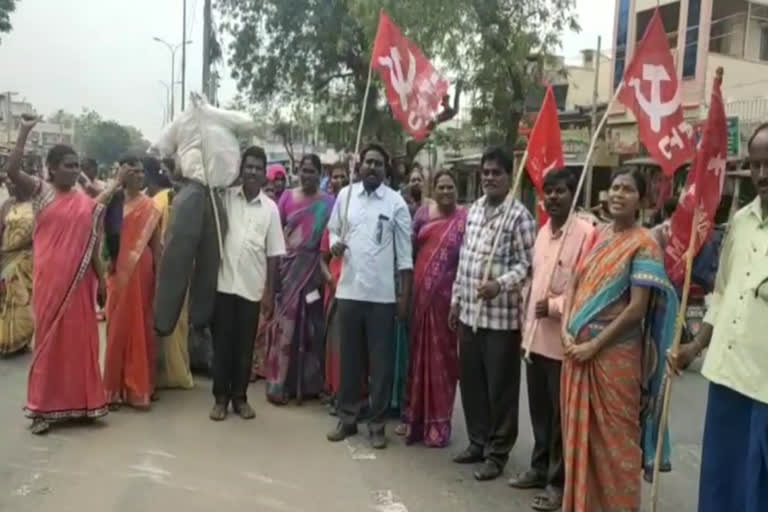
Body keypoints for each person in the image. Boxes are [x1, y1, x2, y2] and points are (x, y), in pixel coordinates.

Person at [560, 168, 678, 512]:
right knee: (582, 444)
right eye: (614, 188)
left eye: (627, 190)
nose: (618, 194)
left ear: (641, 200)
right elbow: (576, 285)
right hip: (576, 354)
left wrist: (592, 346)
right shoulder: (599, 235)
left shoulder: (644, 243)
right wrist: (568, 330)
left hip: (614, 361)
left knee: (617, 447)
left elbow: (637, 309)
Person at [670, 124, 768, 512]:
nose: (763, 175)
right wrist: (693, 346)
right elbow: (724, 293)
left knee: (758, 489)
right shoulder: (740, 221)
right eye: (756, 165)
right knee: (721, 484)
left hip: (764, 385)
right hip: (727, 377)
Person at [7, 115, 124, 434]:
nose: (74, 171)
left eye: (76, 166)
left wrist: (100, 281)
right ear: (52, 167)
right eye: (68, 165)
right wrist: (23, 133)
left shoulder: (83, 201)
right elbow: (12, 171)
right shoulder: (40, 191)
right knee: (48, 343)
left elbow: (93, 239)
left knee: (79, 342)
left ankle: (84, 404)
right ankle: (42, 410)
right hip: (50, 284)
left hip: (80, 285)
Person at [508, 169, 594, 511]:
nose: (554, 198)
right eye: (549, 192)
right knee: (540, 413)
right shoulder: (543, 233)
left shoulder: (587, 235)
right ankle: (538, 468)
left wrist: (556, 306)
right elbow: (532, 282)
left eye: (560, 191)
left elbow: (588, 289)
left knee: (561, 420)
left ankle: (558, 484)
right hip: (535, 340)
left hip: (564, 343)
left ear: (573, 194)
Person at [448, 147, 535, 481]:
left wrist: (500, 284)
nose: (489, 178)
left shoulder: (519, 216)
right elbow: (465, 260)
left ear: (509, 176)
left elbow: (528, 266)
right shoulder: (473, 211)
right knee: (471, 383)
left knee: (500, 388)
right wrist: (456, 299)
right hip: (470, 314)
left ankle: (497, 454)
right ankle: (477, 441)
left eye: (496, 172)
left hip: (501, 320)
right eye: (485, 172)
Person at [326, 143, 413, 449]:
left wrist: (404, 296)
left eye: (378, 163)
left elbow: (405, 256)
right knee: (350, 361)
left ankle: (376, 424)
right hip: (349, 291)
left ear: (385, 169)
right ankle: (348, 419)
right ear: (359, 166)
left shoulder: (396, 203)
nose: (372, 167)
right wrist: (336, 243)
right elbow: (333, 229)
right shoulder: (345, 196)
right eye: (368, 162)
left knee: (380, 365)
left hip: (382, 297)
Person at [211, 146, 286, 421]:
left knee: (244, 348)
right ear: (241, 170)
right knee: (222, 346)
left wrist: (270, 293)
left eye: (257, 167)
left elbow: (274, 255)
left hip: (251, 289)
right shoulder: (227, 198)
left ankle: (240, 398)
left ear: (264, 173)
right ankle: (220, 398)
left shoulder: (271, 210)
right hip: (223, 285)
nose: (252, 171)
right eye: (248, 166)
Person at [402, 170, 466, 447]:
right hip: (421, 295)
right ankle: (414, 419)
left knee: (445, 361)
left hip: (448, 300)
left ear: (457, 189)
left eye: (450, 187)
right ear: (433, 188)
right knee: (417, 356)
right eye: (441, 187)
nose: (446, 192)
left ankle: (439, 424)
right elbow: (411, 250)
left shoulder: (465, 218)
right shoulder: (423, 215)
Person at [265, 154, 334, 404]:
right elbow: (277, 233)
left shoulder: (329, 202)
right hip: (288, 269)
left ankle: (308, 385)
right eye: (303, 170)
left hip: (313, 272)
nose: (307, 175)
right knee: (285, 327)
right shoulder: (286, 198)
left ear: (319, 174)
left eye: (312, 171)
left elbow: (331, 238)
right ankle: (278, 383)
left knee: (311, 328)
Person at [103, 156, 162, 409]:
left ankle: (140, 386)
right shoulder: (113, 203)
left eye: (141, 172)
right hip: (118, 271)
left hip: (142, 270)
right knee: (117, 325)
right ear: (123, 174)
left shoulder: (150, 206)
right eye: (133, 172)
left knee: (140, 324)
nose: (139, 176)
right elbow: (104, 240)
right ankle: (113, 388)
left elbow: (156, 244)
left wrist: (159, 276)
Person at [145, 157, 194, 390]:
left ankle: (171, 373)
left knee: (175, 322)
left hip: (174, 268)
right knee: (170, 321)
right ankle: (169, 371)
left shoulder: (164, 200)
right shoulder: (163, 200)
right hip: (172, 267)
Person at [319, 163, 350, 408]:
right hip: (335, 288)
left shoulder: (359, 219)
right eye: (335, 177)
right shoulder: (332, 224)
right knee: (335, 345)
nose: (339, 180)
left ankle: (351, 394)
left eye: (344, 176)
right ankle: (334, 391)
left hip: (357, 290)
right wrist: (330, 279)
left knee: (353, 347)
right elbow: (322, 259)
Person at [0, 174, 36, 356]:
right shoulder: (7, 204)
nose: (11, 186)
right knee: (7, 299)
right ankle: (6, 341)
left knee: (24, 300)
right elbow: (1, 228)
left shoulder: (37, 204)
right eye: (8, 184)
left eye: (13, 183)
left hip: (28, 259)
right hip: (7, 257)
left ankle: (22, 340)